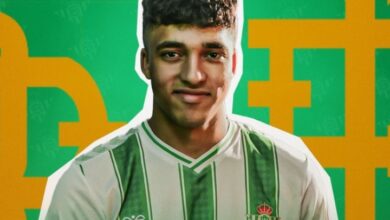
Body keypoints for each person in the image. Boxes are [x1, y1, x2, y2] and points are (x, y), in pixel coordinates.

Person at [40, 0, 338, 219]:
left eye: (211, 54)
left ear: (233, 63)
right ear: (146, 62)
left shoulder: (295, 174)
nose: (193, 75)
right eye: (172, 53)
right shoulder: (89, 182)